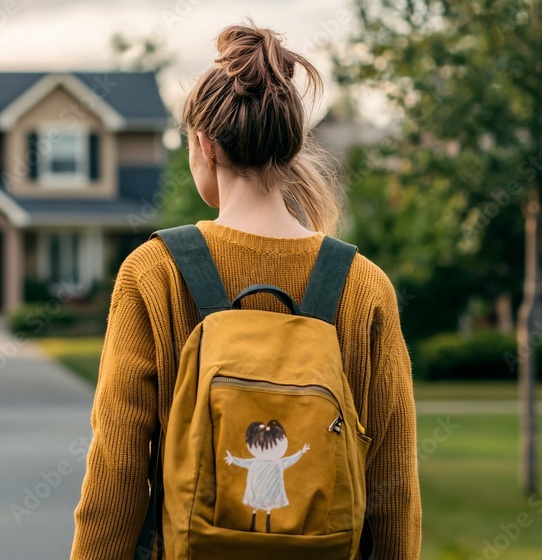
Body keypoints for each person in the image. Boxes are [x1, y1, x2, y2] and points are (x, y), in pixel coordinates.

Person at [70, 19, 422, 560]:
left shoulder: (154, 271)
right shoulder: (363, 286)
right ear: (289, 148)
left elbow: (116, 469)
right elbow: (393, 483)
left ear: (204, 145)